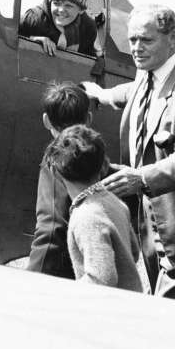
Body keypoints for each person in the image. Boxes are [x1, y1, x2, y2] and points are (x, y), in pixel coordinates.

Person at [82, 4, 175, 303]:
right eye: (132, 41)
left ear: (172, 38)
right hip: (152, 224)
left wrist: (140, 177)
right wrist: (101, 95)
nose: (137, 49)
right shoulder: (149, 72)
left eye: (146, 40)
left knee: (173, 319)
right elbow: (134, 91)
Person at [43, 125, 142, 291]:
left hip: (111, 310)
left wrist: (66, 294)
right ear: (102, 166)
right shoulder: (113, 201)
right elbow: (133, 251)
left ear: (57, 172)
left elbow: (102, 278)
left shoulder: (86, 217)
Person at [26, 81, 96, 279]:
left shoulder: (56, 159)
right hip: (86, 265)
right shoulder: (97, 156)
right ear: (88, 119)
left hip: (56, 271)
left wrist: (33, 276)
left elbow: (51, 226)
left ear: (46, 121)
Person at [19, 0, 98, 56]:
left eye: (68, 6)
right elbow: (9, 37)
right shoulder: (34, 18)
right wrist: (32, 39)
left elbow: (89, 57)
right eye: (56, 3)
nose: (61, 10)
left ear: (81, 10)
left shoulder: (88, 28)